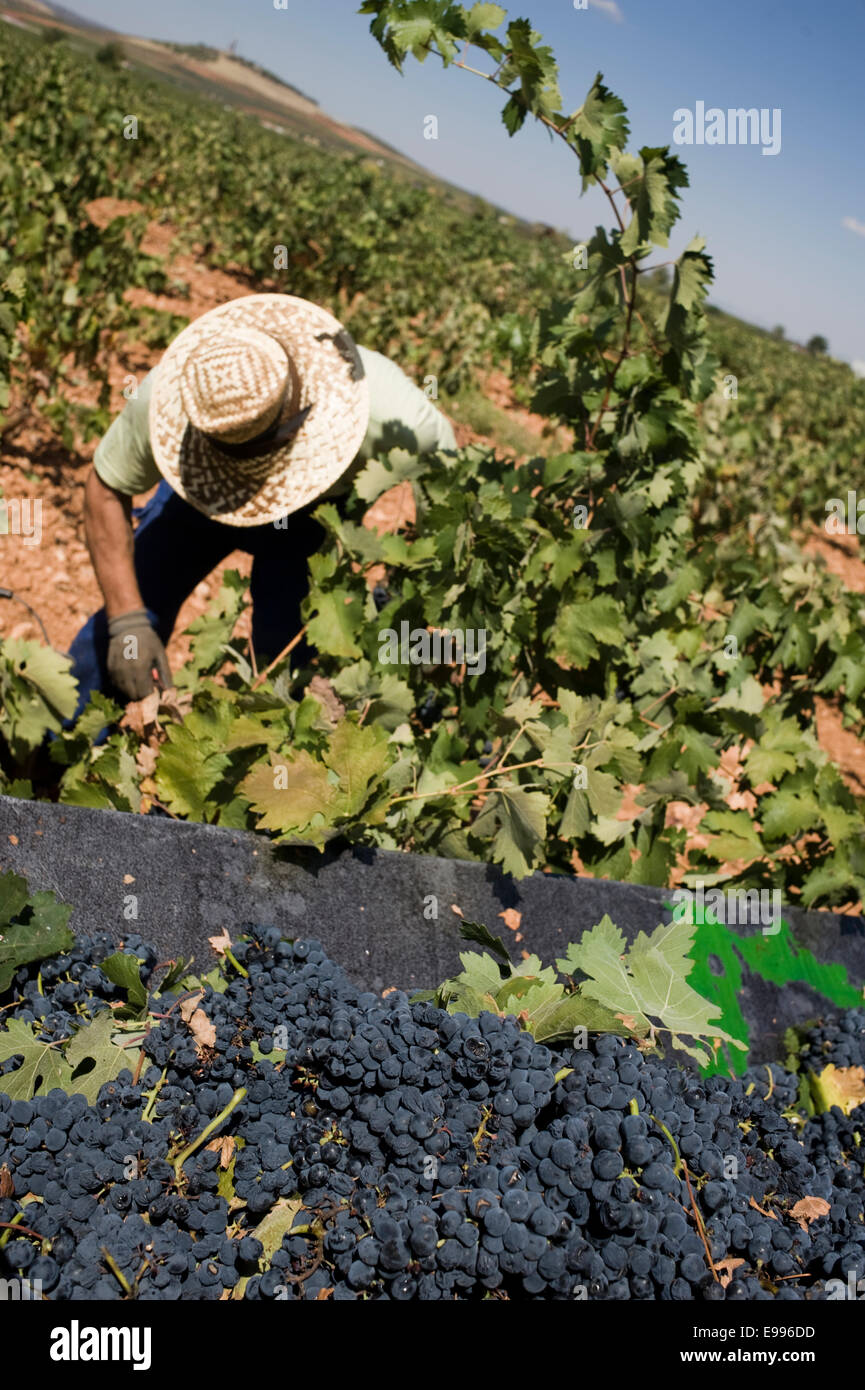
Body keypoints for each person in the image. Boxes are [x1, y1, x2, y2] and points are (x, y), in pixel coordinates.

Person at [69, 293, 455, 714]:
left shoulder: (392, 415)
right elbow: (105, 487)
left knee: (284, 666)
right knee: (122, 636)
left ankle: (273, 757)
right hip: (198, 506)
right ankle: (42, 760)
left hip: (314, 521)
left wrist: (430, 613)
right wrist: (126, 619)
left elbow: (447, 490)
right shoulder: (171, 398)